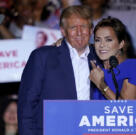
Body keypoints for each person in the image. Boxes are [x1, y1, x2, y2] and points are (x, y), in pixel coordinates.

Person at [18, 5, 97, 135]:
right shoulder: (42, 57)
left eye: (83, 26)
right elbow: (26, 106)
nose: (79, 32)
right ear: (63, 31)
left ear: (91, 30)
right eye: (73, 27)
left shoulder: (101, 58)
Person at [89, 17, 136, 100]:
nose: (102, 45)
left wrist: (101, 84)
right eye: (97, 40)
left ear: (121, 44)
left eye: (108, 40)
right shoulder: (95, 63)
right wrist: (62, 41)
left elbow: (126, 108)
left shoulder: (130, 67)